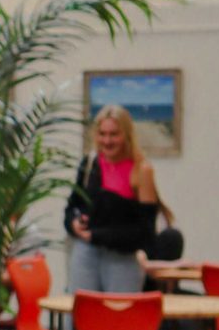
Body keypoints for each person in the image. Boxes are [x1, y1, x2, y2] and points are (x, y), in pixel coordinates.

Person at [64, 105, 169, 293]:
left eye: (114, 134)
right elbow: (71, 207)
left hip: (122, 258)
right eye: (102, 134)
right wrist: (74, 224)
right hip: (86, 253)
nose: (107, 141)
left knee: (119, 316)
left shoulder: (141, 170)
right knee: (83, 316)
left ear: (126, 135)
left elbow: (145, 233)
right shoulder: (89, 165)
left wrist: (100, 235)